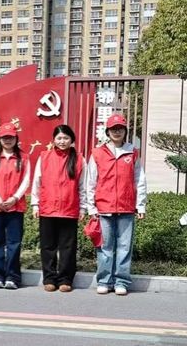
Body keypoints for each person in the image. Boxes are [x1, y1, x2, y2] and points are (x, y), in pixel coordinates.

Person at [86, 113, 147, 296]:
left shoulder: (132, 152)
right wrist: (91, 207)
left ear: (125, 131)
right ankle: (104, 281)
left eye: (120, 128)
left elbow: (139, 179)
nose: (117, 132)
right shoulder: (97, 153)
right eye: (113, 129)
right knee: (105, 247)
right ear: (107, 131)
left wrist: (141, 205)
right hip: (103, 207)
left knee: (124, 247)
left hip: (126, 207)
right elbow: (91, 181)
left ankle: (121, 281)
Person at [31, 124, 87, 293]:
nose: (62, 141)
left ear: (72, 140)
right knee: (48, 246)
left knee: (68, 247)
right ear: (54, 140)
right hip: (48, 208)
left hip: (69, 209)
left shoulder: (79, 159)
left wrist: (83, 208)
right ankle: (49, 278)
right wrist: (35, 204)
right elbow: (37, 182)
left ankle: (65, 279)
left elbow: (83, 186)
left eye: (66, 138)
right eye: (59, 138)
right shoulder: (44, 157)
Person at [0, 122, 30, 289]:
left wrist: (14, 198)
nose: (8, 140)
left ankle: (12, 277)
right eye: (4, 137)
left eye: (11, 137)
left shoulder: (23, 158)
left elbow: (26, 180)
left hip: (15, 207)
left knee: (14, 243)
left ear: (16, 138)